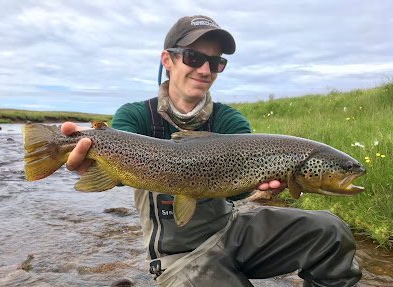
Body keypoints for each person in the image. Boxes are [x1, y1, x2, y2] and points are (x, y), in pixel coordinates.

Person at [61, 15, 361, 287]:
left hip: (230, 231)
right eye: (193, 57)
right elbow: (118, 168)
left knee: (330, 231)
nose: (205, 69)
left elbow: (236, 193)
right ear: (168, 60)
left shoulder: (230, 120)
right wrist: (94, 164)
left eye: (216, 62)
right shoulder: (135, 117)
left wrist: (260, 187)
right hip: (177, 254)